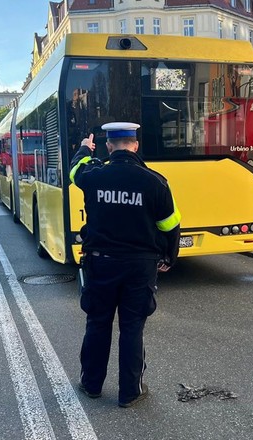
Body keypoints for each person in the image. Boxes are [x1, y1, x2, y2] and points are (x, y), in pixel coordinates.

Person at [70, 122, 181, 407]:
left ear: (109, 146)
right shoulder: (155, 181)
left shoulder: (93, 174)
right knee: (132, 327)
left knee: (97, 323)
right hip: (140, 267)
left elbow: (75, 170)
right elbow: (170, 224)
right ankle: (130, 392)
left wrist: (85, 147)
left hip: (101, 264)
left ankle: (91, 384)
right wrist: (169, 256)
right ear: (136, 145)